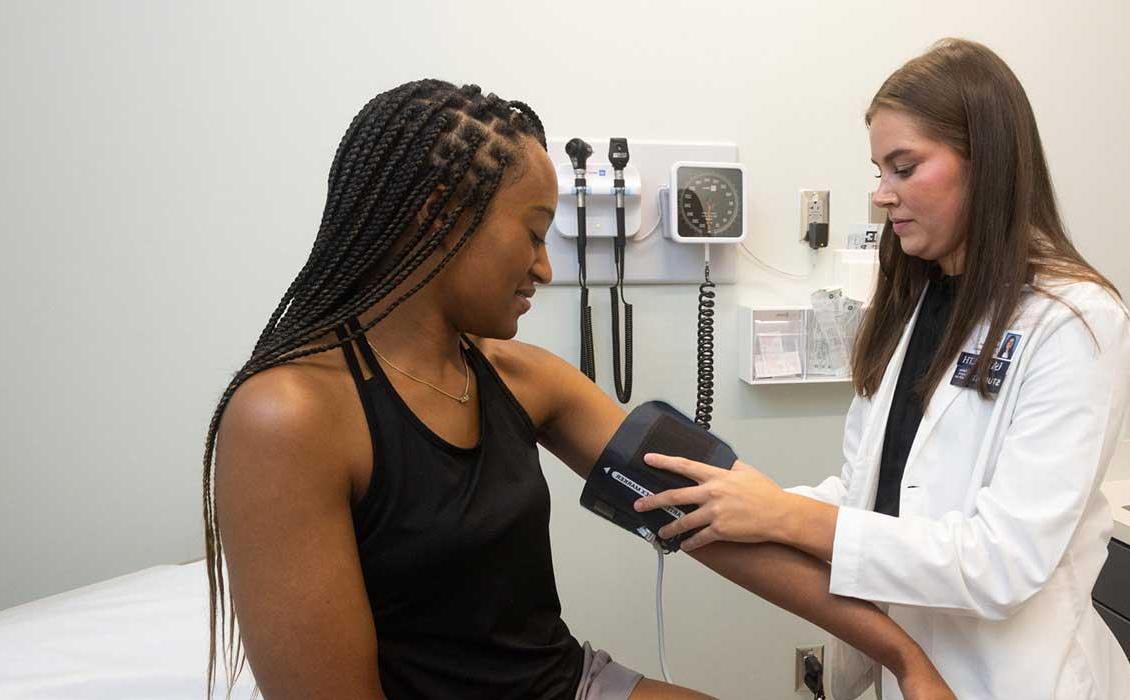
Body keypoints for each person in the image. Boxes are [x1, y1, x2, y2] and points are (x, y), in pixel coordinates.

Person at [203, 80, 953, 700]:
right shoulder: (288, 418)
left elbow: (710, 520)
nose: (545, 267)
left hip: (567, 685)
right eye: (532, 234)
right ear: (438, 222)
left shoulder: (521, 378)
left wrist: (900, 655)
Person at [633, 39, 1130, 699]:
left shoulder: (1076, 323)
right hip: (907, 668)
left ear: (984, 161)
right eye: (879, 170)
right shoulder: (920, 301)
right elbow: (878, 498)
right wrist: (757, 502)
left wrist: (784, 519)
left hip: (1012, 680)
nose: (881, 195)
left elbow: (1001, 562)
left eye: (904, 168)